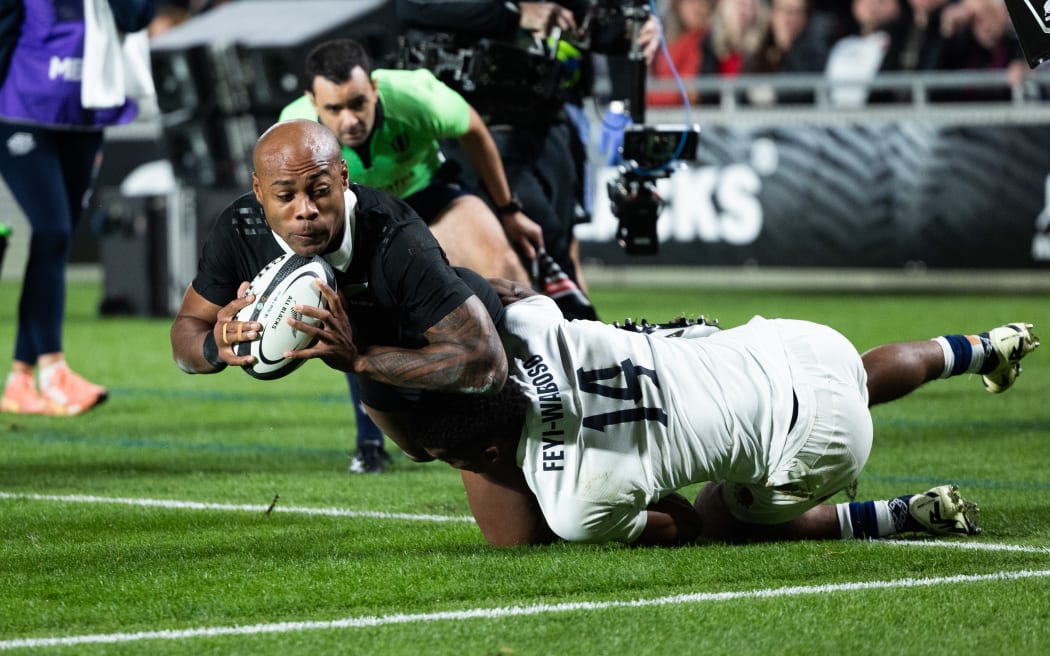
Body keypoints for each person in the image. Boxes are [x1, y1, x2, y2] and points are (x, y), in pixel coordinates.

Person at [411, 279, 1039, 546]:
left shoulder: (570, 505)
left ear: (490, 453)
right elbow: (498, 295)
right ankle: (984, 347)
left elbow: (678, 524)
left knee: (723, 515)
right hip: (791, 345)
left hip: (817, 439)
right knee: (856, 372)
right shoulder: (529, 330)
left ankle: (903, 515)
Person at [169, 119, 508, 467]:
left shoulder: (396, 237)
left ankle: (513, 307)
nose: (305, 210)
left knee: (467, 446)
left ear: (343, 178)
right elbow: (186, 331)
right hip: (370, 346)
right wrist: (215, 343)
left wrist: (359, 361)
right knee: (419, 449)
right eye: (285, 196)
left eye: (319, 190)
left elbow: (486, 366)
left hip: (417, 338)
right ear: (258, 190)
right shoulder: (240, 228)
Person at [278, 38, 542, 473]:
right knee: (347, 312)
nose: (350, 120)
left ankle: (540, 400)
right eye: (335, 109)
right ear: (311, 102)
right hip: (360, 223)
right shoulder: (294, 132)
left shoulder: (415, 95)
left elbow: (473, 128)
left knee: (505, 269)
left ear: (376, 88)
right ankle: (371, 441)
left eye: (359, 103)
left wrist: (509, 210)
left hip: (431, 195)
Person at [395, 0, 660, 304]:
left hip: (551, 117)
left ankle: (574, 335)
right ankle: (559, 330)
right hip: (479, 122)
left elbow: (586, 24)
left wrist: (630, 31)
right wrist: (513, 14)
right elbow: (413, 6)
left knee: (560, 240)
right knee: (536, 240)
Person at [0, 0, 156, 416]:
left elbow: (136, 17)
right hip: (22, 114)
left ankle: (19, 378)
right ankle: (53, 370)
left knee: (54, 242)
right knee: (53, 231)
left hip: (85, 116)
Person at [647, 0, 712, 107]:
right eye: (691, 3)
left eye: (703, 3)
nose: (698, 9)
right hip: (663, 108)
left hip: (680, 111)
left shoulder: (702, 41)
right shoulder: (670, 40)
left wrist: (647, 97)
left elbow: (690, 91)